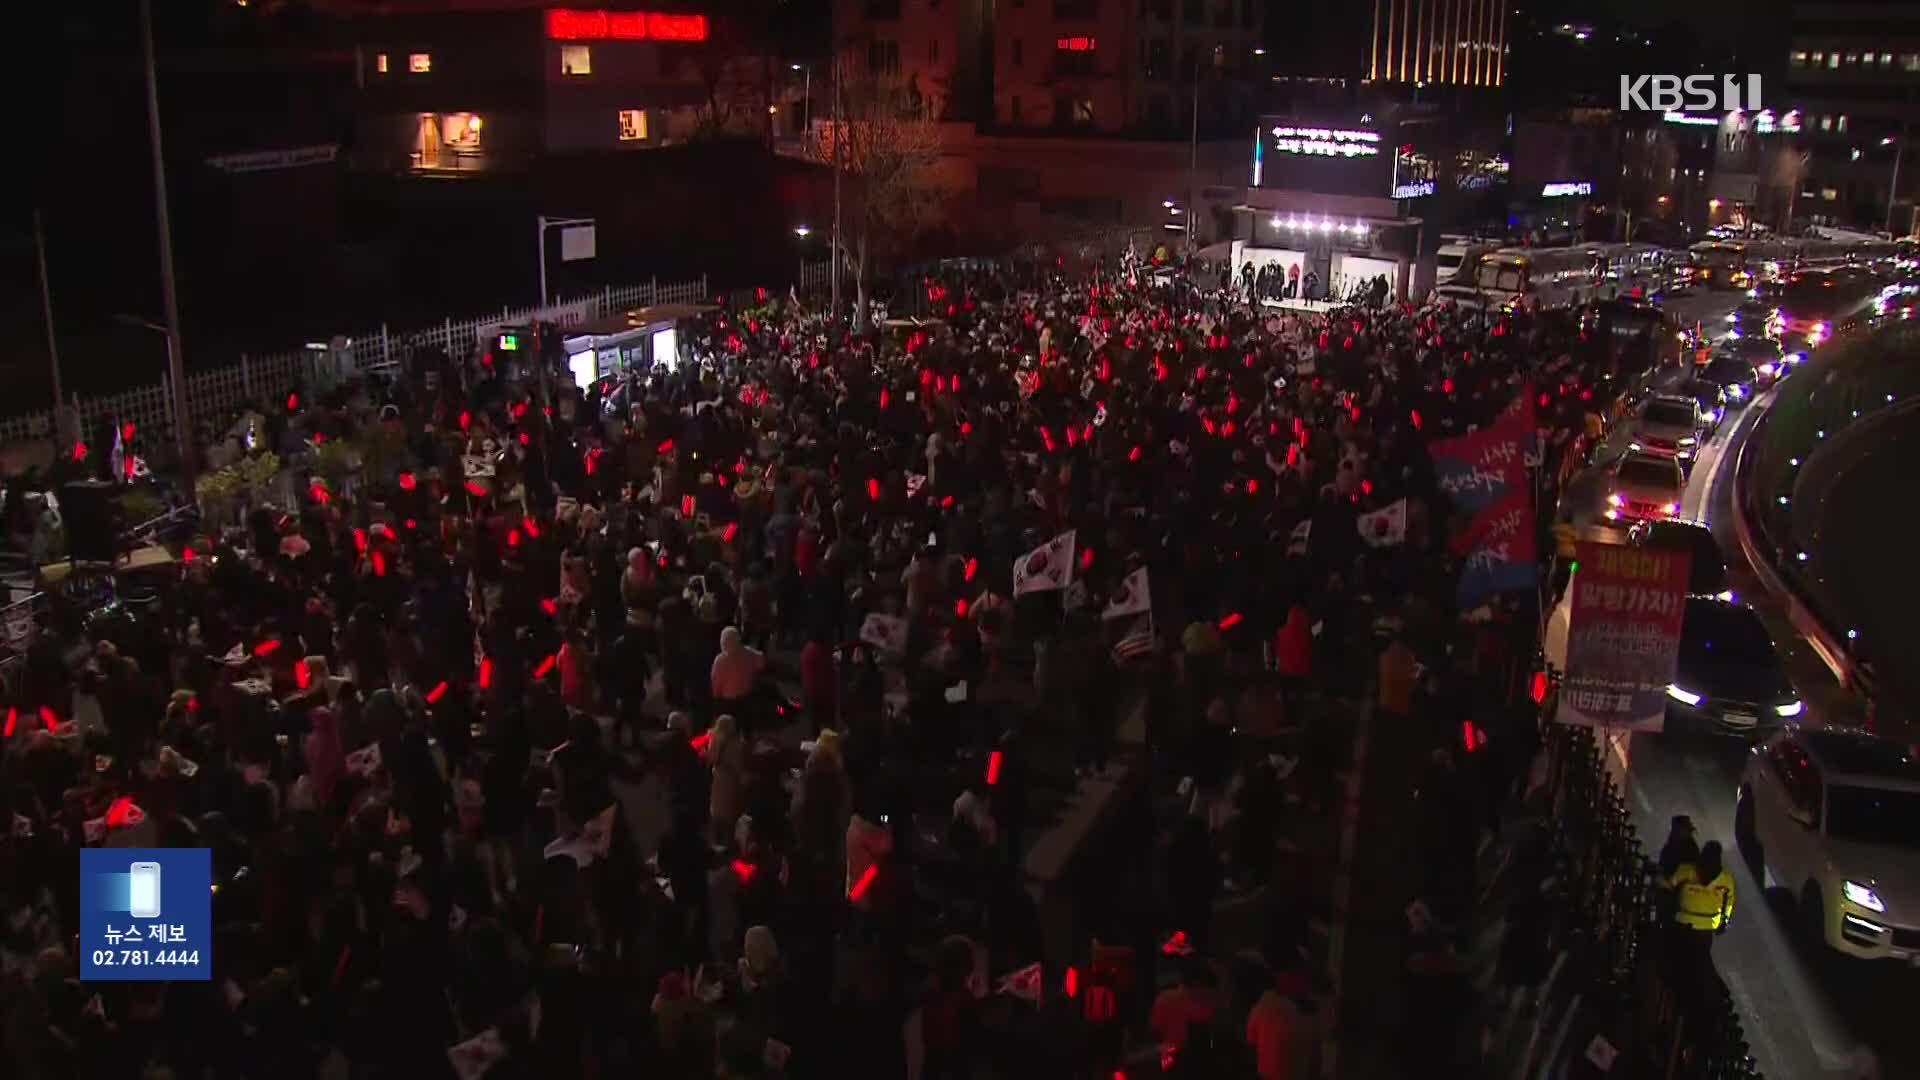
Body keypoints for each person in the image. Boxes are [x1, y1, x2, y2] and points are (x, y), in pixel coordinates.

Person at [1666, 840, 1734, 1005]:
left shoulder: (1688, 870)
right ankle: (1711, 995)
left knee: (1684, 959)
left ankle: (1704, 995)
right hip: (1702, 928)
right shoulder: (1725, 880)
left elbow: (1669, 885)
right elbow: (1728, 904)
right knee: (1699, 960)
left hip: (1684, 923)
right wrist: (1723, 921)